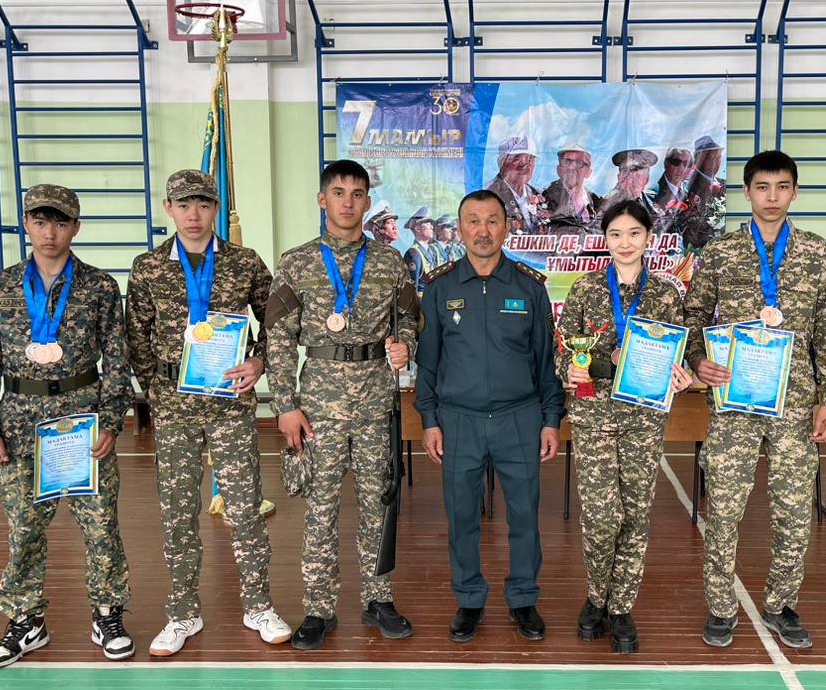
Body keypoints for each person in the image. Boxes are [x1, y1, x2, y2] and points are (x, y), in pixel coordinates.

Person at [682, 150, 826, 650]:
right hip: (733, 396)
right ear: (746, 192)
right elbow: (693, 316)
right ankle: (720, 606)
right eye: (761, 187)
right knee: (725, 508)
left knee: (794, 509)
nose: (771, 197)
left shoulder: (816, 252)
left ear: (794, 191)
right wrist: (695, 360)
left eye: (781, 187)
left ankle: (780, 603)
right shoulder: (720, 252)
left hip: (795, 404)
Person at [0, 184, 133, 668]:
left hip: (82, 418)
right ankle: (26, 620)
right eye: (40, 222)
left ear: (75, 227)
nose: (49, 232)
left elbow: (117, 360)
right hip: (18, 420)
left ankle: (108, 612)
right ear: (26, 225)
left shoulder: (100, 287)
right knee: (24, 529)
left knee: (100, 525)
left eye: (60, 222)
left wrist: (112, 420)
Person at [126, 169, 290, 657]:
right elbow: (135, 335)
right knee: (177, 514)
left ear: (215, 209)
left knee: (244, 509)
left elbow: (277, 320)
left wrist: (259, 359)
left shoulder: (244, 262)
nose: (193, 215)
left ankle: (258, 604)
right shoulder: (148, 267)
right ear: (168, 209)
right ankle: (181, 613)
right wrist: (156, 389)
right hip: (174, 407)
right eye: (183, 205)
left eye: (203, 205)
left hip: (230, 404)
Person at [267, 159, 418, 651]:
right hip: (319, 405)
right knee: (320, 508)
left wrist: (404, 344)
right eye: (338, 192)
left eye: (357, 193)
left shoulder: (390, 262)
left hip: (376, 399)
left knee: (379, 503)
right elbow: (278, 339)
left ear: (368, 203)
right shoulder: (296, 263)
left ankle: (378, 599)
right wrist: (284, 405)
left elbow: (408, 319)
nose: (347, 201)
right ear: (322, 199)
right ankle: (318, 607)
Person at [415, 189, 565, 643]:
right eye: (473, 221)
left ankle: (523, 598)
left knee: (524, 515)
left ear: (507, 226)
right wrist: (429, 419)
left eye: (492, 220)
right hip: (458, 420)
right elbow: (429, 362)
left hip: (519, 418)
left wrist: (551, 419)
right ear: (460, 229)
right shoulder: (439, 288)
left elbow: (546, 362)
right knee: (461, 516)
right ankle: (469, 599)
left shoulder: (529, 288)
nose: (483, 230)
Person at [555, 200, 692, 653]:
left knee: (635, 514)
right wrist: (569, 370)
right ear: (605, 240)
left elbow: (682, 354)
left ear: (648, 238)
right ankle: (596, 596)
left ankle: (621, 607)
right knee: (600, 516)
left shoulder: (667, 294)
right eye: (616, 234)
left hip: (644, 417)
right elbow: (562, 351)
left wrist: (684, 374)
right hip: (594, 415)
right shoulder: (586, 289)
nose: (625, 242)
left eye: (634, 233)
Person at [485, 135, 548, 233]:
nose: (524, 165)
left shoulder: (539, 195)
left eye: (529, 159)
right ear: (501, 163)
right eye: (516, 159)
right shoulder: (489, 194)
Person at [599, 149, 667, 232]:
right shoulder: (604, 206)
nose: (631, 176)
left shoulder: (656, 210)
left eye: (637, 170)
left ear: (646, 179)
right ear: (619, 177)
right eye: (625, 170)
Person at [681, 134, 729, 250]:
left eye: (718, 158)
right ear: (699, 160)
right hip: (693, 248)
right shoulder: (687, 185)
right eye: (711, 158)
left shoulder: (724, 184)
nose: (716, 163)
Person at [542, 144, 603, 232]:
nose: (571, 167)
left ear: (588, 172)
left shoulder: (595, 201)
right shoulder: (546, 197)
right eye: (567, 162)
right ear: (558, 169)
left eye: (579, 162)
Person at [403, 207, 440, 291]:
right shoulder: (414, 254)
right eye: (427, 223)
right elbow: (412, 288)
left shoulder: (432, 251)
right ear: (418, 229)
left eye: (431, 223)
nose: (431, 227)